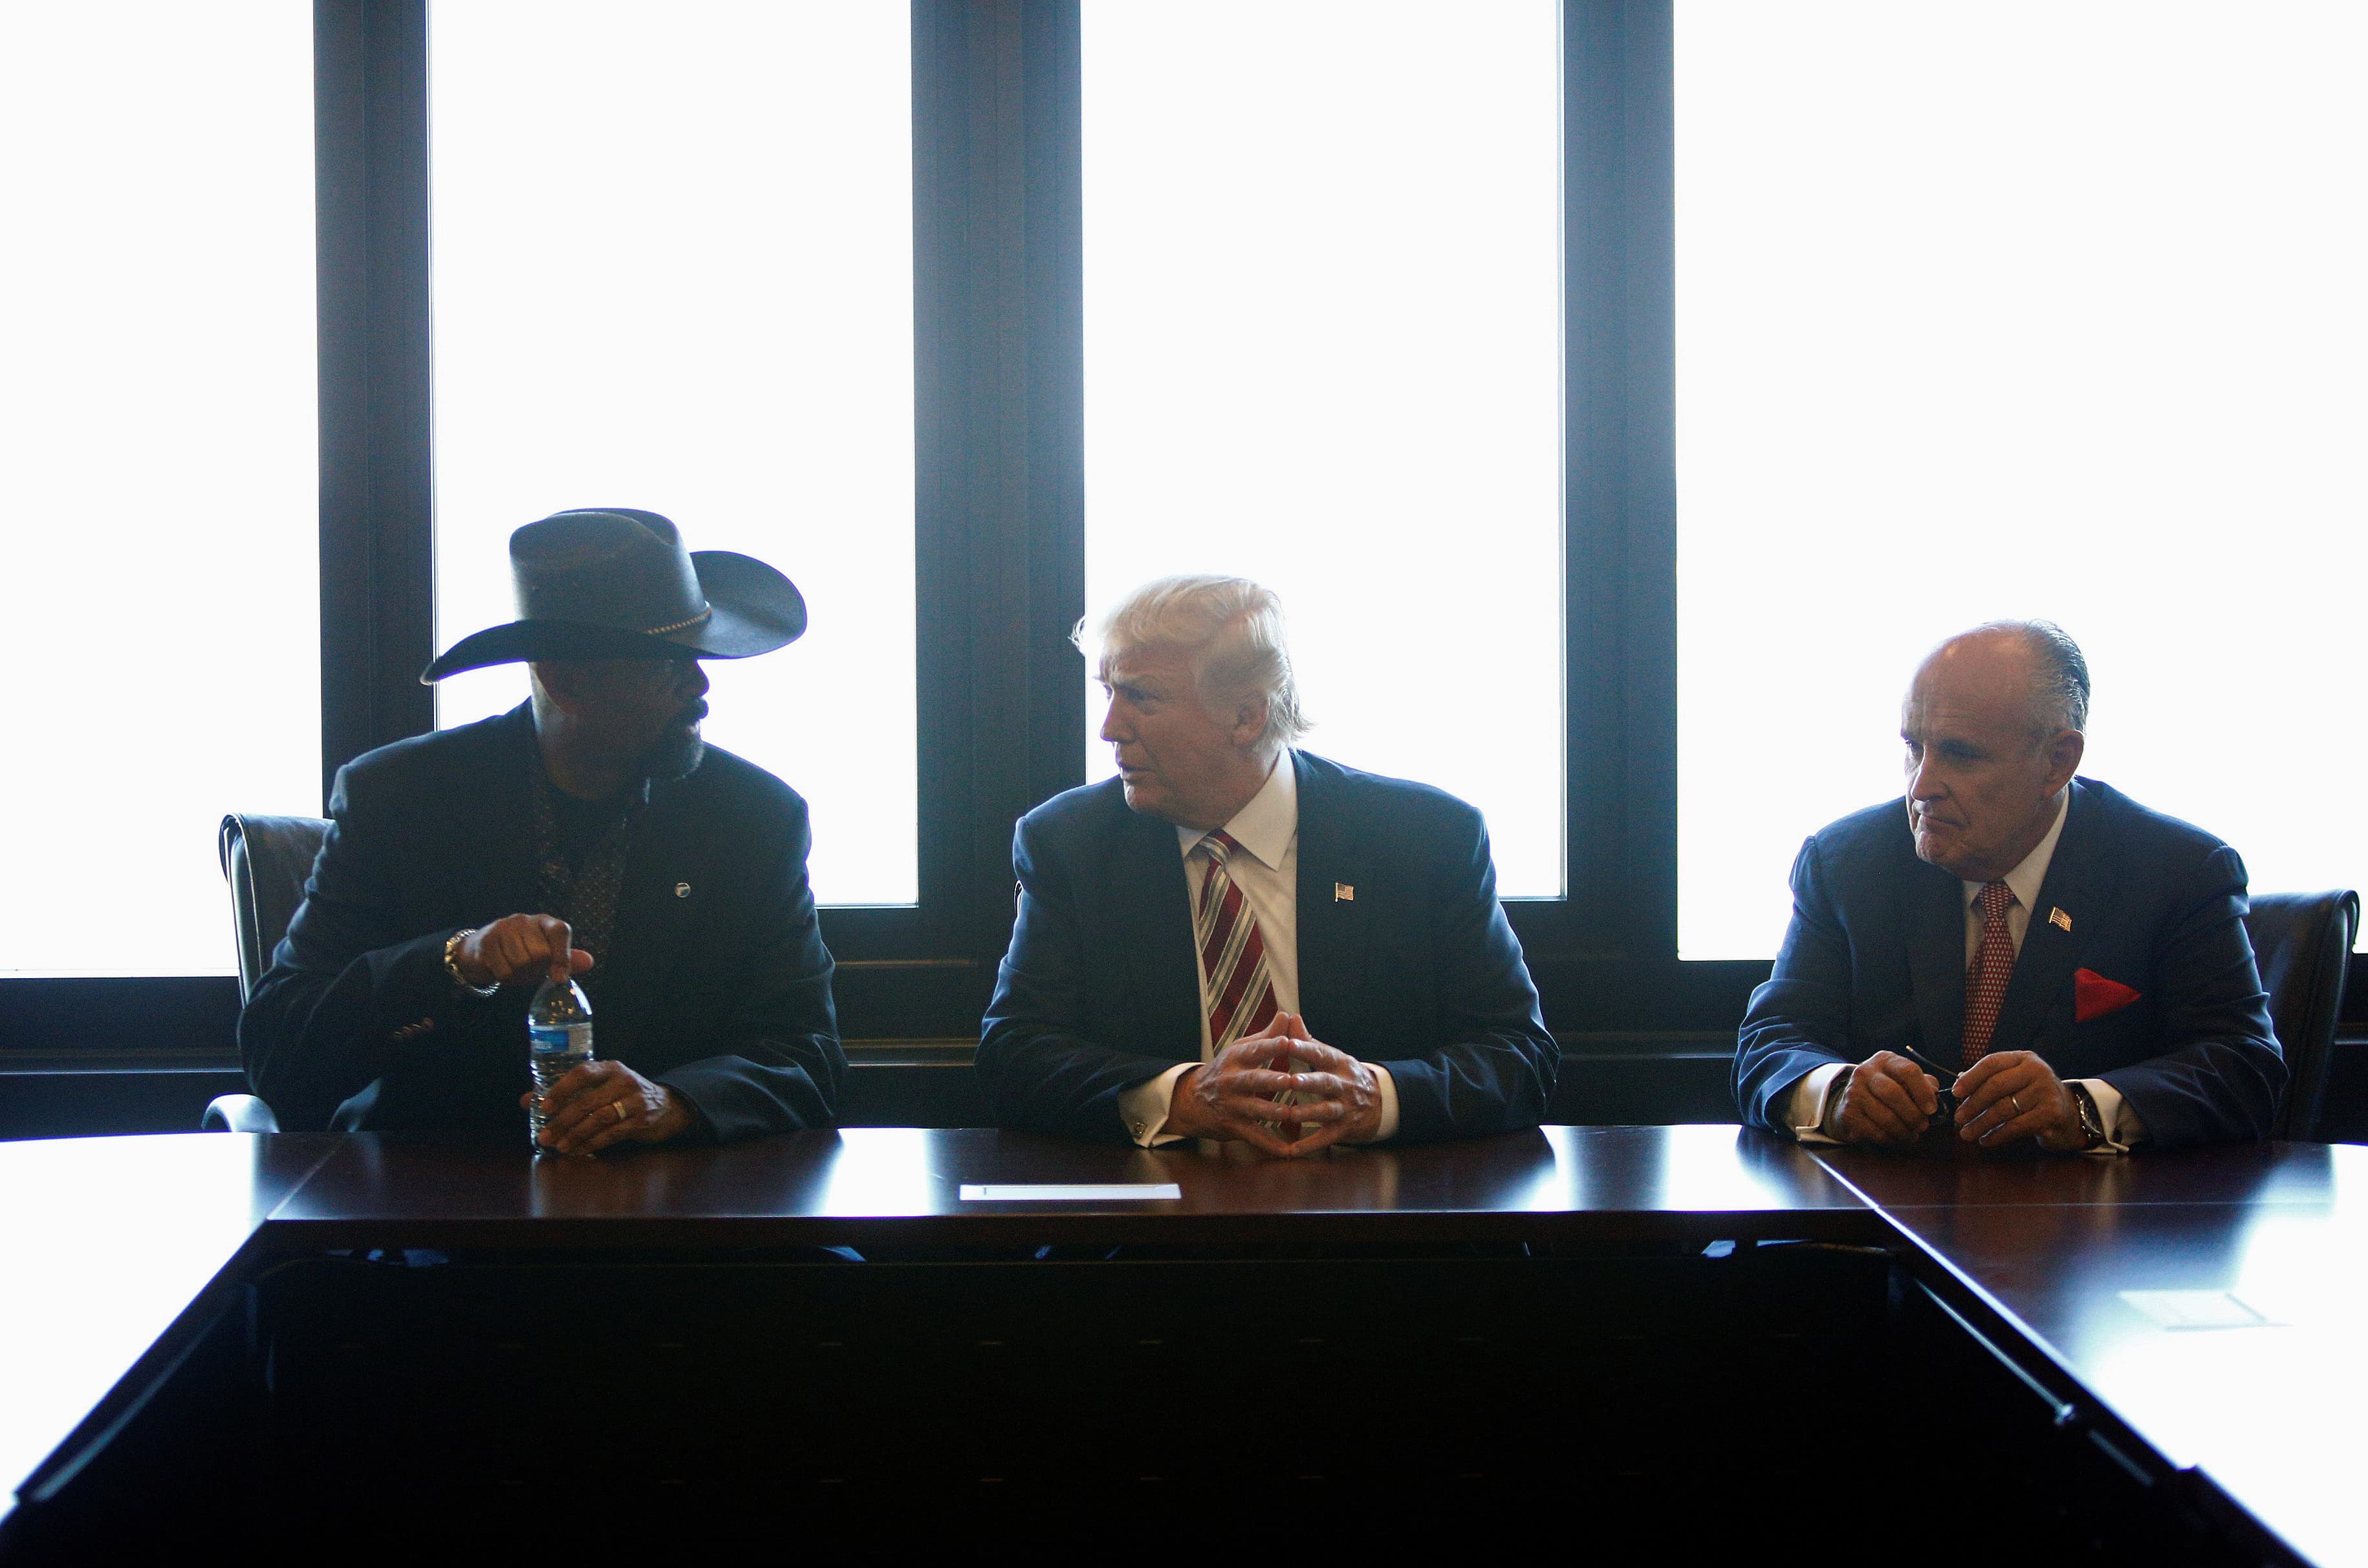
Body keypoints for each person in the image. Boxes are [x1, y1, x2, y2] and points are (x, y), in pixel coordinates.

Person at [241, 509, 845, 1150]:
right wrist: (456, 962)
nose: (699, 684)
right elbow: (281, 1056)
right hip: (441, 1214)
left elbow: (807, 1053)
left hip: (677, 1220)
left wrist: (675, 1103)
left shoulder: (754, 817)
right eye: (665, 663)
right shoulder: (400, 800)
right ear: (565, 680)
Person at [979, 574, 1558, 1152]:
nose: (1110, 728)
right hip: (1153, 1226)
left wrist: (1378, 1098)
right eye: (1107, 692)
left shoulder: (1424, 838)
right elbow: (1016, 1057)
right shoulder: (1070, 843)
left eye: (1141, 697)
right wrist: (1179, 1099)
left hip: (1385, 1219)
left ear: (1246, 717)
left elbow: (1517, 1057)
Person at [1734, 620, 2283, 1152]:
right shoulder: (1848, 862)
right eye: (1913, 748)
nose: (1922, 786)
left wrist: (2083, 1110)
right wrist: (1833, 1093)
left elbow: (2242, 1066)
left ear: (2057, 761)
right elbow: (1773, 1041)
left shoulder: (2175, 871)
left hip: (2092, 1227)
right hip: (1881, 1219)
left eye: (1959, 753)